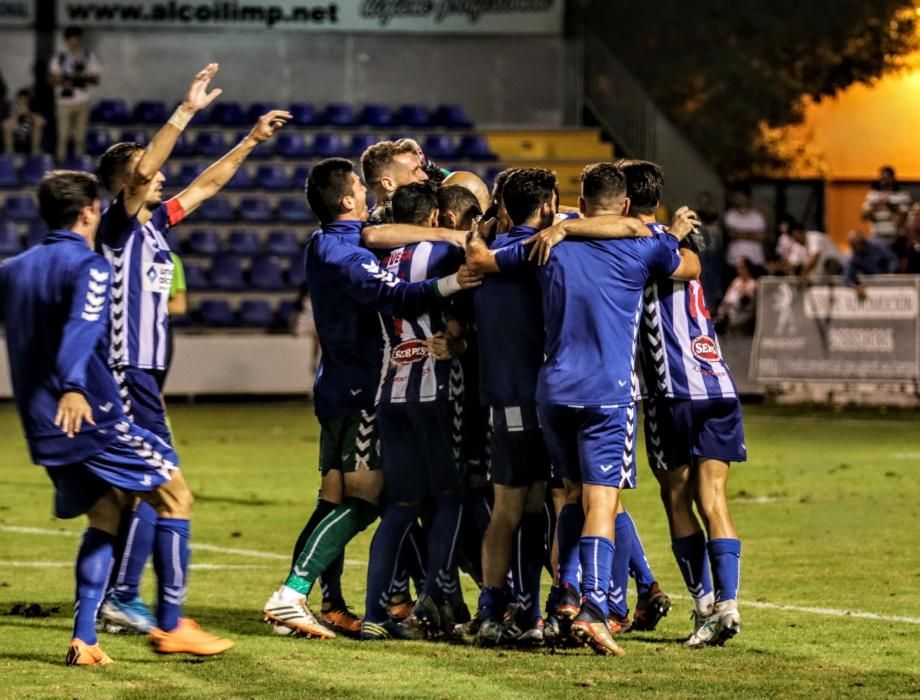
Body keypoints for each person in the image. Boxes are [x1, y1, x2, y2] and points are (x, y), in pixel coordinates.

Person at [0, 170, 232, 664]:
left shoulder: (13, 268)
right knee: (175, 497)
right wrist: (74, 386)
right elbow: (83, 329)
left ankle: (85, 639)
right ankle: (172, 626)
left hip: (41, 426)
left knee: (106, 514)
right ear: (88, 211)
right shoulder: (89, 265)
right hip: (90, 414)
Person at [95, 65, 291, 633]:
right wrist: (184, 113)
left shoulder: (154, 227)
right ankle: (129, 598)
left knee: (142, 486)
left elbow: (206, 186)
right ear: (127, 181)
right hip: (127, 370)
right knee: (164, 486)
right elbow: (146, 173)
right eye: (146, 174)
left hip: (144, 374)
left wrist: (251, 141)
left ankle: (120, 597)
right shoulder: (120, 226)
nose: (159, 179)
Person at [261, 158, 481, 640]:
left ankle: (332, 602)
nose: (367, 195)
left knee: (335, 499)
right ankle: (293, 594)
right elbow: (394, 296)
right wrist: (451, 280)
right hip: (362, 388)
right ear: (346, 199)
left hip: (339, 386)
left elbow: (380, 234)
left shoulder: (338, 240)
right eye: (360, 187)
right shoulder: (344, 251)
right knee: (372, 498)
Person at [531, 164, 699, 656]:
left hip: (553, 390)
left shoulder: (549, 243)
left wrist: (561, 226)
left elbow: (490, 253)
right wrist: (675, 232)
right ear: (625, 205)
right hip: (608, 392)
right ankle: (595, 609)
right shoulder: (643, 245)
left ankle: (564, 594)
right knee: (602, 503)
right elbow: (686, 262)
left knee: (567, 494)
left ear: (580, 204)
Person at [618, 160, 747, 649]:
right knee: (713, 499)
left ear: (622, 203)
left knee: (676, 497)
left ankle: (704, 602)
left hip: (671, 390)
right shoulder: (684, 241)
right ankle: (728, 605)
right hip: (717, 384)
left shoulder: (634, 248)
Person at [49, 27, 101, 162]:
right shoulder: (59, 58)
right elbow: (53, 79)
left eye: (76, 39)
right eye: (71, 39)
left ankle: (80, 165)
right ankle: (59, 165)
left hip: (82, 101)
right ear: (67, 41)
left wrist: (80, 77)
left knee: (80, 137)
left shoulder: (88, 56)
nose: (74, 42)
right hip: (64, 102)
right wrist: (67, 78)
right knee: (63, 136)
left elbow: (95, 79)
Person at [360, 139, 430, 223]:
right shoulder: (369, 230)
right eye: (415, 171)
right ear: (388, 184)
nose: (425, 177)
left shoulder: (434, 212)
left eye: (421, 169)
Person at [861, 166, 911, 248]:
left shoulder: (902, 195)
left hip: (895, 238)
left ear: (893, 179)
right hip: (876, 236)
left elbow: (904, 216)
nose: (884, 180)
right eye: (882, 178)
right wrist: (877, 204)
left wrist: (890, 204)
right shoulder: (872, 195)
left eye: (887, 178)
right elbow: (863, 216)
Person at [843, 230, 898, 302]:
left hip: (890, 282)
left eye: (856, 244)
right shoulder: (854, 257)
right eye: (852, 245)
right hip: (875, 287)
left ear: (863, 242)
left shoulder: (877, 245)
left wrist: (892, 271)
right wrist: (856, 287)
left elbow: (893, 258)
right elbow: (846, 277)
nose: (854, 248)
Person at [723, 185, 766, 269]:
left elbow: (761, 237)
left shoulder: (757, 216)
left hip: (755, 261)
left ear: (748, 198)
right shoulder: (730, 215)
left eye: (741, 196)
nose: (738, 199)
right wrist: (752, 234)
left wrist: (738, 233)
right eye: (736, 196)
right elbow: (731, 235)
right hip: (734, 262)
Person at [715, 258, 759, 334]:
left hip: (743, 310)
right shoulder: (736, 281)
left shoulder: (754, 283)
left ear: (747, 268)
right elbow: (727, 297)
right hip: (729, 309)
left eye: (742, 268)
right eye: (738, 268)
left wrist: (743, 292)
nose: (739, 271)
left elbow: (750, 302)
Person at [2, 88, 46, 155]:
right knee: (7, 126)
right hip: (16, 141)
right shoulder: (12, 111)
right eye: (20, 101)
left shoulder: (33, 111)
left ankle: (35, 153)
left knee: (38, 125)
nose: (22, 104)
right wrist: (17, 116)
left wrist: (29, 114)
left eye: (25, 102)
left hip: (30, 141)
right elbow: (4, 124)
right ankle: (9, 154)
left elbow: (42, 121)